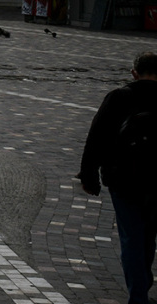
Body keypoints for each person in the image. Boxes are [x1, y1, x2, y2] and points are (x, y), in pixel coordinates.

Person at [80, 51, 157, 304]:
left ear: (134, 72)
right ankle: (144, 279)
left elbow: (96, 138)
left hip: (124, 178)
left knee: (131, 237)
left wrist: (89, 176)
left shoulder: (120, 97)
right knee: (149, 236)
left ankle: (138, 294)